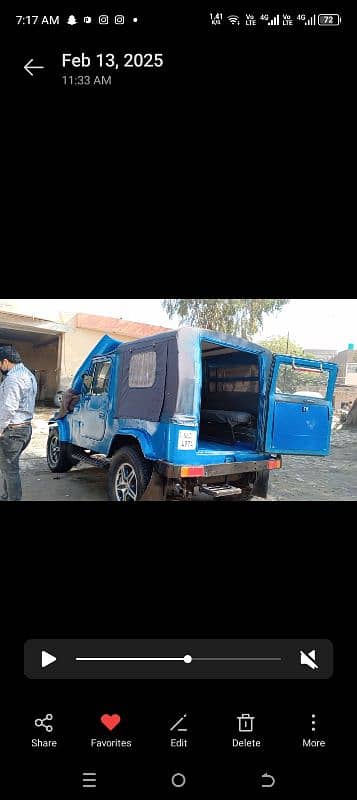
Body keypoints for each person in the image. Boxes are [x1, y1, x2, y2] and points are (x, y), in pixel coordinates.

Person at [0, 345, 37, 501]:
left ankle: (12, 498)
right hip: (24, 428)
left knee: (10, 469)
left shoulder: (13, 378)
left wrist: (0, 428)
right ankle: (5, 496)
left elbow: (9, 408)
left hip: (14, 431)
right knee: (8, 468)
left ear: (6, 362)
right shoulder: (28, 374)